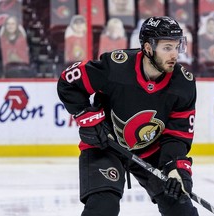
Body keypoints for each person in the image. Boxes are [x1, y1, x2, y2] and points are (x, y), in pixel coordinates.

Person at [57, 16, 199, 216]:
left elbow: (178, 134)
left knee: (181, 209)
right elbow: (68, 82)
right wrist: (88, 119)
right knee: (103, 208)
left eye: (177, 47)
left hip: (152, 152)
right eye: (167, 48)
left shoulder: (183, 84)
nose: (174, 55)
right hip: (106, 145)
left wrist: (175, 167)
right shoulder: (116, 67)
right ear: (148, 48)